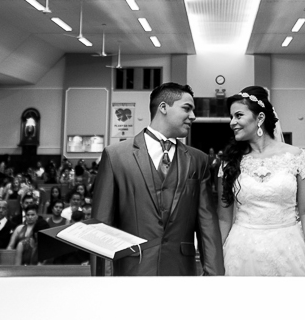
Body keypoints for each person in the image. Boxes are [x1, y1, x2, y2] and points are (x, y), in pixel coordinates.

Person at [91, 82, 224, 276]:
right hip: (131, 272)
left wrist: (214, 277)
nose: (193, 116)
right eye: (187, 108)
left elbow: (207, 226)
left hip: (180, 272)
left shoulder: (198, 160)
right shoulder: (116, 156)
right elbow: (102, 228)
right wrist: (103, 281)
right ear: (163, 107)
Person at [217, 87, 305, 276]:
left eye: (238, 115)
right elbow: (224, 218)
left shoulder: (295, 156)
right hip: (242, 253)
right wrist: (215, 263)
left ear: (260, 118)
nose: (232, 123)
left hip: (289, 250)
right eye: (231, 117)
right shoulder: (229, 162)